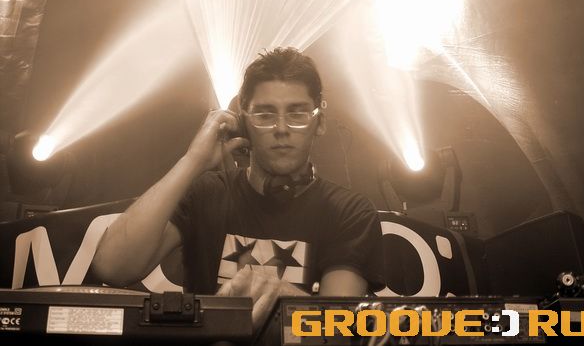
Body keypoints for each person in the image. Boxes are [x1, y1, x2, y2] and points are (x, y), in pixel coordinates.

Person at [92, 47, 384, 330]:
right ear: (243, 123)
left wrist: (285, 299)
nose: (281, 129)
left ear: (319, 123)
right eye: (265, 115)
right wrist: (193, 160)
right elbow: (113, 267)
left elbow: (340, 328)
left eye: (297, 114)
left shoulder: (349, 212)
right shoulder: (207, 193)